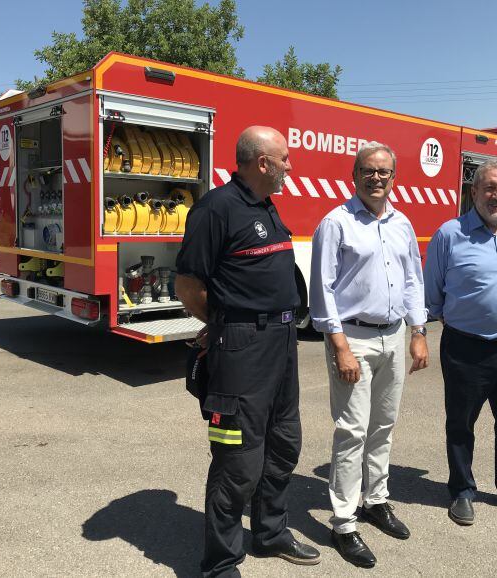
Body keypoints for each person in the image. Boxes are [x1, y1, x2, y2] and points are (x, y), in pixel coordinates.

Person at [175, 126, 321, 577]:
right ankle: (220, 562)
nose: (289, 166)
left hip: (282, 343)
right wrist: (222, 325)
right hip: (242, 349)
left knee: (283, 444)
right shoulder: (216, 209)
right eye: (284, 159)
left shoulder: (263, 205)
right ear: (262, 162)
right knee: (238, 459)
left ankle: (271, 532)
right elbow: (188, 286)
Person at [309, 141, 429, 568]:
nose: (376, 178)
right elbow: (321, 289)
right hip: (354, 341)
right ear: (354, 176)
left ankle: (375, 500)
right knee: (352, 430)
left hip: (394, 336)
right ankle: (344, 522)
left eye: (384, 172)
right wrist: (338, 345)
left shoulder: (401, 223)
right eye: (368, 171)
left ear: (394, 177)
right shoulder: (336, 223)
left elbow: (413, 279)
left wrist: (419, 331)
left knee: (384, 425)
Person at [423, 159, 497, 527]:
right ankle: (462, 490)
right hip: (466, 349)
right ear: (473, 192)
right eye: (490, 187)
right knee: (461, 424)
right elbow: (433, 293)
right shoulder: (449, 234)